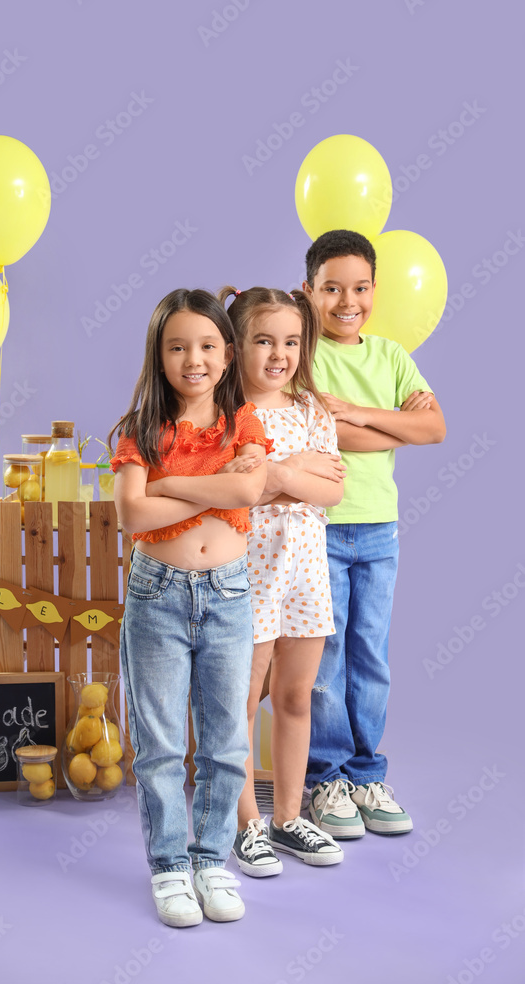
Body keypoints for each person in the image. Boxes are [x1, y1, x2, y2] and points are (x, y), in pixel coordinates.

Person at [110, 288, 269, 927]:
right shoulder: (139, 430)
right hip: (158, 595)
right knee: (160, 744)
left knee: (227, 740)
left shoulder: (243, 425)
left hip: (229, 594)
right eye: (177, 347)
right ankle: (171, 867)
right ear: (160, 355)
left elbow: (249, 487)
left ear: (227, 355)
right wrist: (208, 491)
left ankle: (212, 862)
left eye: (206, 346)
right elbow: (133, 513)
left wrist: (170, 482)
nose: (192, 359)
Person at [302, 230, 446, 839]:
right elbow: (317, 434)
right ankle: (325, 776)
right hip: (321, 526)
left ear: (375, 291)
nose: (346, 300)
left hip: (379, 529)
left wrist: (357, 413)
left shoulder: (389, 357)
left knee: (370, 654)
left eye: (359, 287)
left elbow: (435, 427)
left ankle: (367, 772)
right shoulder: (302, 354)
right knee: (324, 656)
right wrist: (398, 427)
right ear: (309, 292)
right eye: (331, 288)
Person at [219, 285, 345, 876]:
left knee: (296, 697)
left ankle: (289, 817)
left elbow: (334, 490)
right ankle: (247, 825)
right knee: (243, 701)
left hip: (304, 577)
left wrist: (275, 475)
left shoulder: (312, 413)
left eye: (291, 341)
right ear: (236, 344)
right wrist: (294, 473)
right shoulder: (225, 417)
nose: (279, 354)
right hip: (248, 575)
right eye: (264, 340)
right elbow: (240, 490)